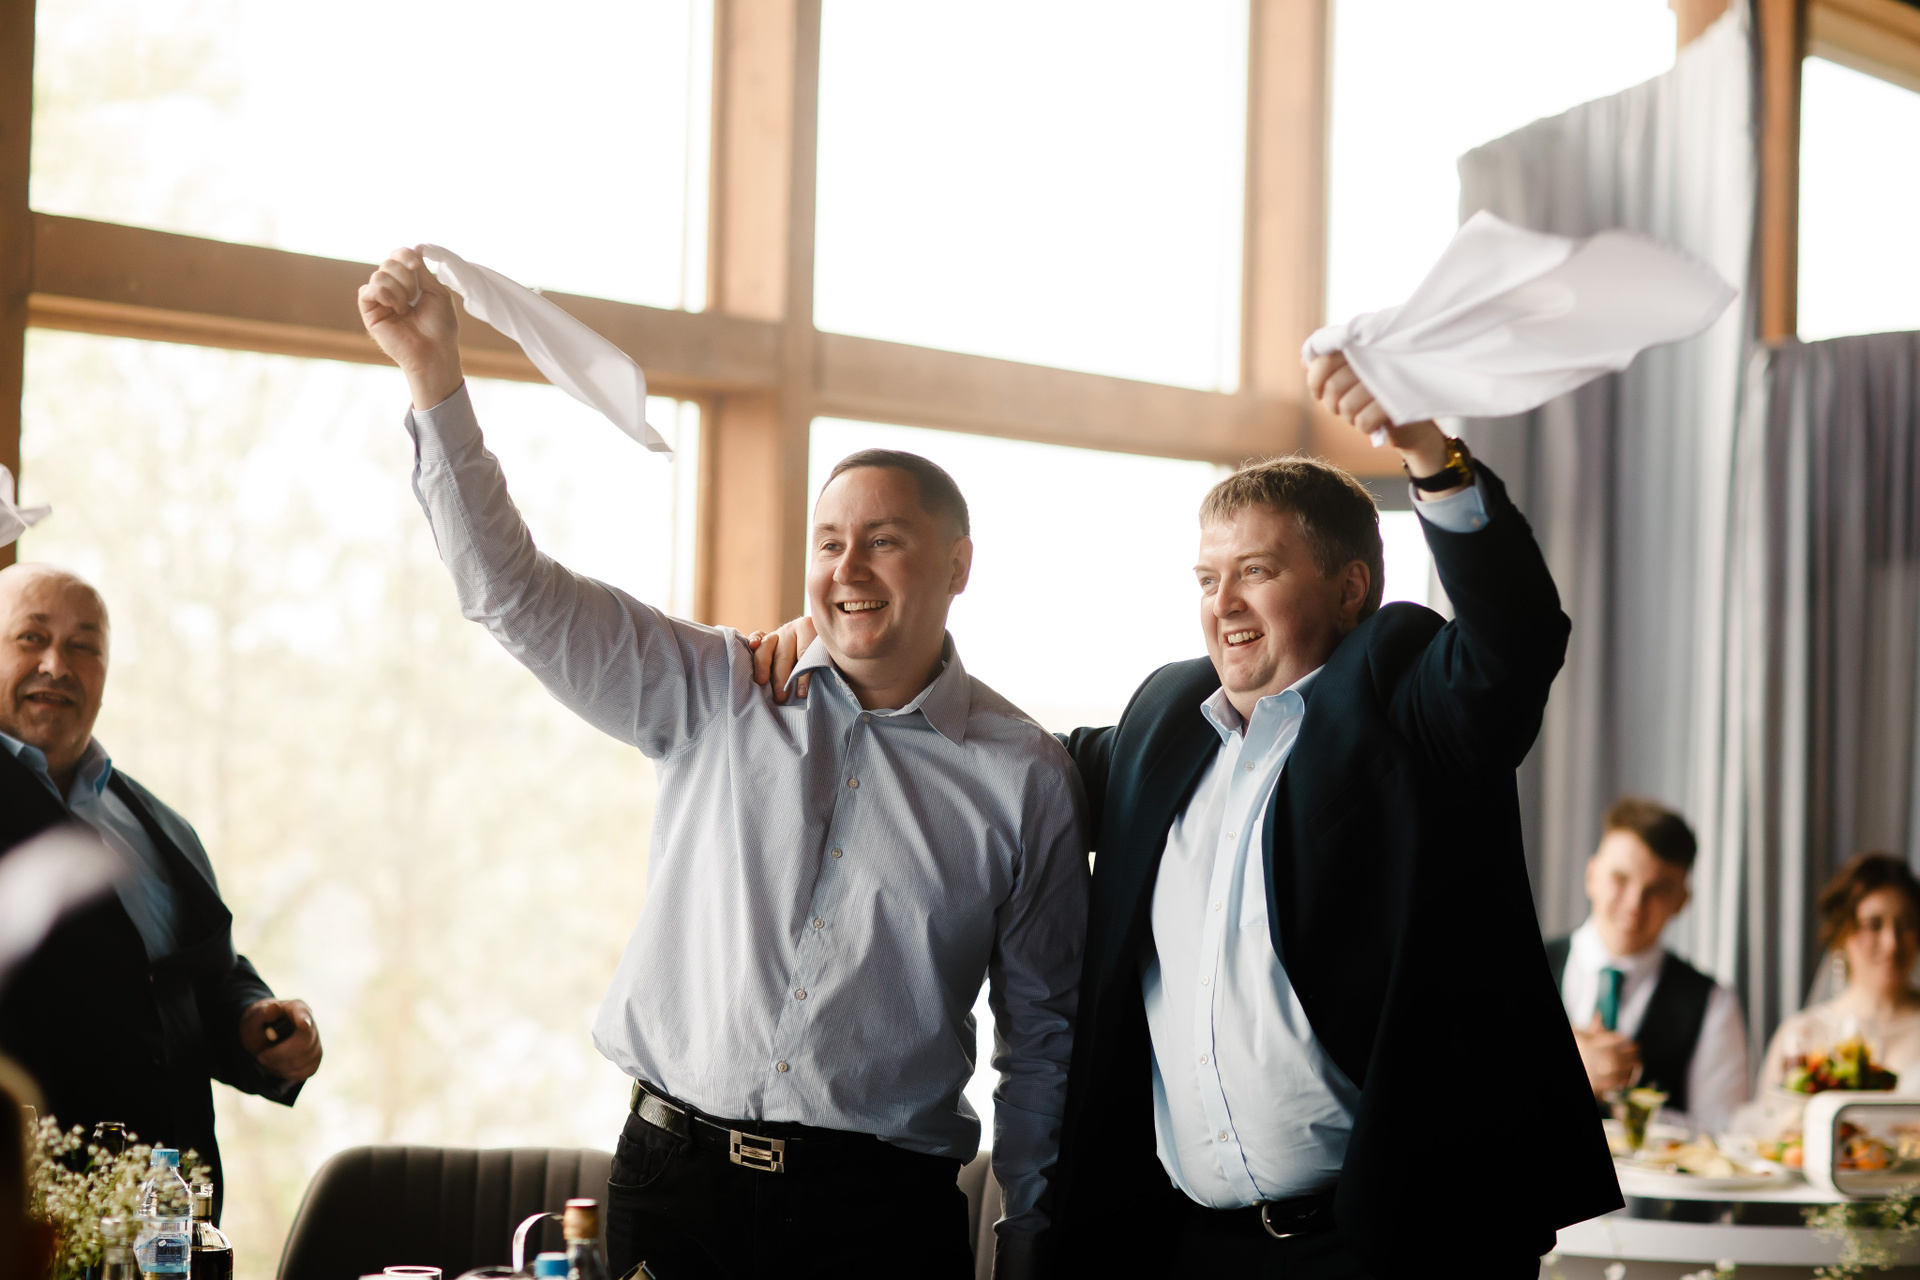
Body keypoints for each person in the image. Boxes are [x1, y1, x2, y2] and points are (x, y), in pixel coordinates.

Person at [750, 356, 1619, 1276]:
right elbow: (998, 765)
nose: (1223, 604)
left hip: (1397, 1237)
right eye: (1207, 578)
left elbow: (1514, 641)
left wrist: (1433, 460)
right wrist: (852, 641)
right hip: (1191, 1244)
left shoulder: (1404, 690)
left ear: (1350, 590)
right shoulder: (1163, 720)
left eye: (1256, 572)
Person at [357, 247, 1088, 1280]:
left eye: (884, 541)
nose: (848, 568)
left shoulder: (1026, 777)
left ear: (958, 563)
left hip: (878, 1219)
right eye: (828, 542)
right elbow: (513, 594)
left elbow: (1043, 1043)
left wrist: (1032, 1243)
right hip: (675, 1188)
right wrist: (434, 377)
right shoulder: (716, 689)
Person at [0, 564, 322, 1219]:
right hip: (27, 1220)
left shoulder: (157, 824)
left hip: (173, 1220)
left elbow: (191, 977)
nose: (57, 665)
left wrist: (252, 1021)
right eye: (31, 638)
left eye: (84, 646)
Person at [1548, 797, 1748, 1135]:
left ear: (1682, 901)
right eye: (1620, 879)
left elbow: (1720, 1130)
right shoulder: (1515, 968)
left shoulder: (1713, 1002)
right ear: (1592, 875)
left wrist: (1631, 1108)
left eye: (1657, 890)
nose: (1634, 904)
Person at [1758, 853, 1920, 1090]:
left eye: (1905, 925)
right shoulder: (1801, 1034)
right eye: (1874, 925)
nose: (1891, 943)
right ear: (1842, 933)